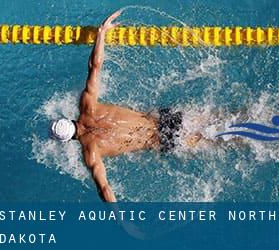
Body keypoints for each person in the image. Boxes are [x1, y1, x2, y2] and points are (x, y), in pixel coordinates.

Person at [50, 11, 202, 202]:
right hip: (164, 118)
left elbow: (104, 189)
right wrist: (101, 33)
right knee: (218, 118)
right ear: (68, 119)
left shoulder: (91, 152)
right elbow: (95, 66)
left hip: (163, 140)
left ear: (68, 140)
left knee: (220, 141)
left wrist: (122, 222)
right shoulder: (87, 105)